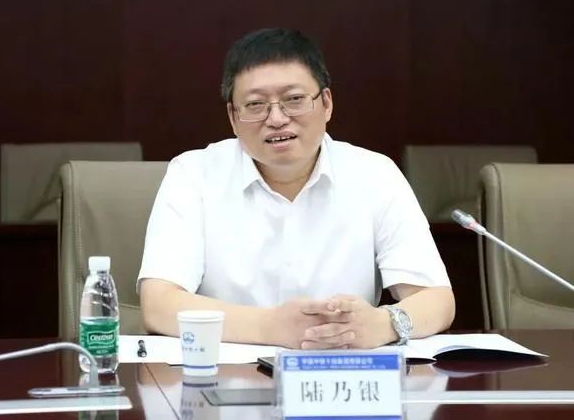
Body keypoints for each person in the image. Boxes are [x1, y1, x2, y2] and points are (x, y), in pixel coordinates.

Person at [137, 28, 455, 349]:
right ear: (233, 117)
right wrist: (268, 327)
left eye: (294, 100)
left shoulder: (375, 174)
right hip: (224, 374)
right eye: (255, 104)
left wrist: (384, 324)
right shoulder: (193, 174)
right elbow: (158, 304)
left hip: (343, 370)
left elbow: (437, 300)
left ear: (326, 103)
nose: (276, 119)